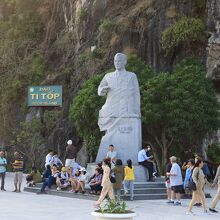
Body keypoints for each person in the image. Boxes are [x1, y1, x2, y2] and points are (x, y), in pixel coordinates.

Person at [96, 53, 141, 164]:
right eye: (116, 61)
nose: (117, 63)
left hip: (126, 109)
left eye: (120, 61)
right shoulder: (108, 76)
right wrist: (102, 90)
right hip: (112, 108)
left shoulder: (131, 76)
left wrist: (136, 111)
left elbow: (136, 94)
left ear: (125, 62)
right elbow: (100, 89)